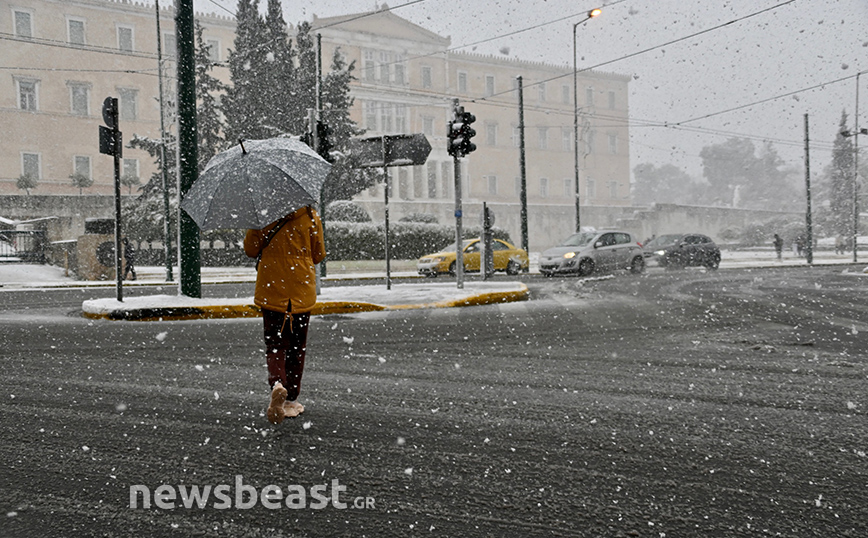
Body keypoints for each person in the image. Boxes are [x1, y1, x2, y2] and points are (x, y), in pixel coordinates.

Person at [244, 206, 325, 425]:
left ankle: (278, 384)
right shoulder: (309, 215)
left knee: (275, 344)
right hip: (300, 289)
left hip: (272, 288)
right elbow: (318, 255)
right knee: (297, 346)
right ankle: (290, 400)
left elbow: (250, 250)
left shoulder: (262, 212)